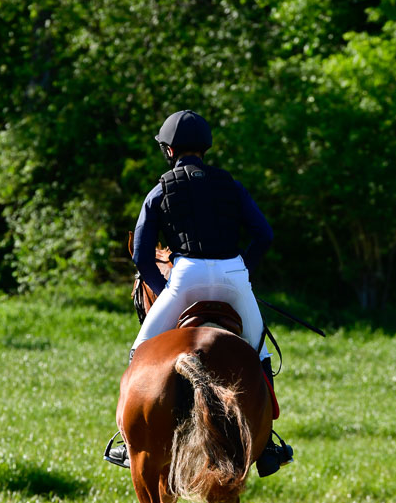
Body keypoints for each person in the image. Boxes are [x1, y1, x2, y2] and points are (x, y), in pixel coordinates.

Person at [109, 109, 292, 477]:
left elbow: (143, 256)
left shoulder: (160, 190)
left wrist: (163, 293)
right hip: (233, 273)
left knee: (140, 352)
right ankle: (268, 442)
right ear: (205, 148)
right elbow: (265, 234)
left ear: (169, 151)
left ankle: (126, 439)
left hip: (186, 276)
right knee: (261, 355)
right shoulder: (231, 185)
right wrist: (241, 272)